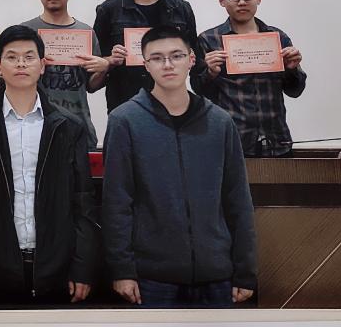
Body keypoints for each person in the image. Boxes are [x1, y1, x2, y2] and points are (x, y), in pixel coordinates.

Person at [102, 25, 257, 308]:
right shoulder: (125, 121)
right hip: (151, 278)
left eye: (176, 56)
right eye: (157, 58)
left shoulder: (220, 122)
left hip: (217, 275)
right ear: (146, 64)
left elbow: (238, 200)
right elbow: (117, 203)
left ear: (192, 59)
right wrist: (122, 270)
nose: (168, 64)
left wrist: (245, 271)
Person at [0, 25, 98, 307]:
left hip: (57, 269)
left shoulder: (69, 126)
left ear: (42, 66)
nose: (21, 63)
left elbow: (83, 202)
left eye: (29, 57)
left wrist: (82, 267)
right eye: (12, 57)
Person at [196, 0, 306, 156]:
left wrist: (292, 69)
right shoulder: (208, 40)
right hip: (232, 141)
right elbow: (201, 92)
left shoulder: (277, 37)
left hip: (277, 140)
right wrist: (210, 73)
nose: (241, 2)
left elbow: (295, 91)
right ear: (222, 0)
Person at [93, 0, 203, 112]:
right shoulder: (108, 10)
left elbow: (195, 61)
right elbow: (94, 70)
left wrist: (191, 57)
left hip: (173, 104)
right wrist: (110, 61)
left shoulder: (181, 8)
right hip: (125, 104)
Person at [21, 0, 108, 149]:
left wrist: (104, 68)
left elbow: (91, 86)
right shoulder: (25, 31)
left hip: (79, 127)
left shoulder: (86, 32)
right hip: (35, 128)